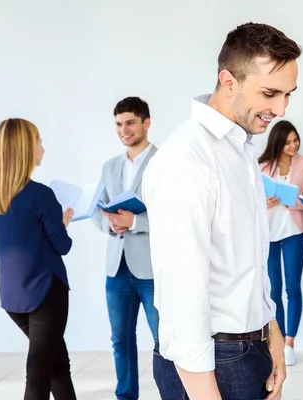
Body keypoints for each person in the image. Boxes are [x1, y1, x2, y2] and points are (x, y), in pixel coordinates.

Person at [141, 22, 301, 400]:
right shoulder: (186, 160)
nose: (281, 109)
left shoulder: (241, 146)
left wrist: (271, 330)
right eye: (270, 93)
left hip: (247, 348)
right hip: (211, 361)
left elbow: (245, 262)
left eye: (288, 94)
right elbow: (182, 296)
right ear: (228, 81)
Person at [91, 97, 182, 400]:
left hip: (152, 269)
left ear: (146, 123)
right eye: (118, 124)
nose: (124, 130)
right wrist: (112, 224)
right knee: (120, 340)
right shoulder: (110, 166)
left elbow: (174, 214)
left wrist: (134, 222)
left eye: (130, 122)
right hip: (116, 268)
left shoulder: (164, 161)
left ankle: (173, 394)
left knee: (164, 340)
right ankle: (125, 396)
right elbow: (96, 210)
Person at [0, 118, 77, 400]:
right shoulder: (41, 195)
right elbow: (63, 246)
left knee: (57, 365)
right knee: (38, 376)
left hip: (12, 296)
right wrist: (62, 224)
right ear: (26, 148)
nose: (43, 148)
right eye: (38, 141)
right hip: (45, 295)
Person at [258, 120, 303, 366]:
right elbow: (250, 202)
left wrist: (290, 200)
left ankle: (291, 342)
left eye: (296, 140)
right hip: (269, 235)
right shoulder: (262, 166)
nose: (293, 145)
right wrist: (265, 202)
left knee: (292, 287)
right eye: (288, 141)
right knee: (273, 291)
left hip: (295, 232)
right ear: (278, 142)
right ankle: (279, 341)